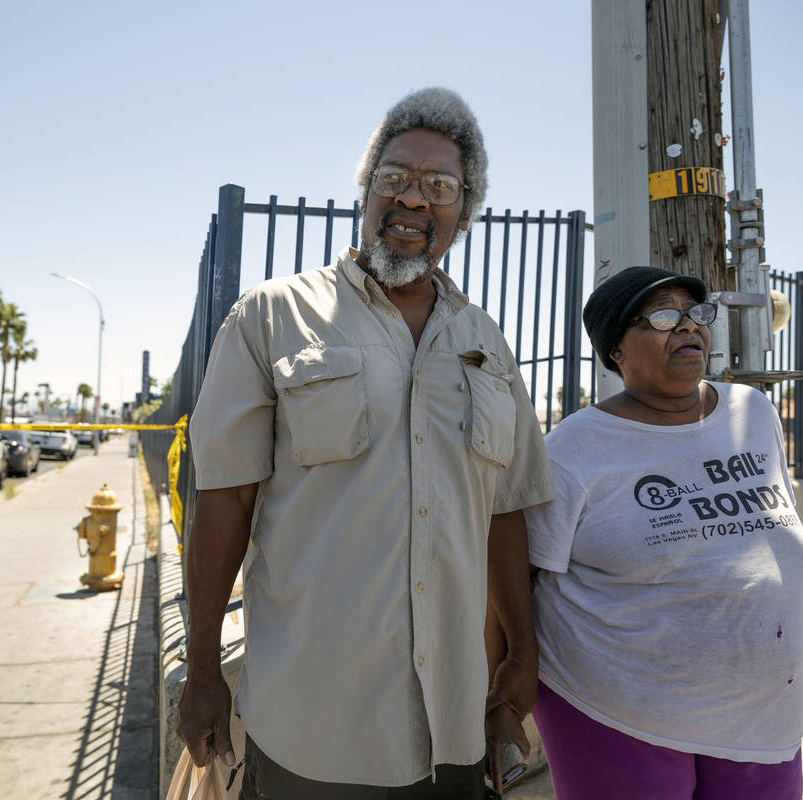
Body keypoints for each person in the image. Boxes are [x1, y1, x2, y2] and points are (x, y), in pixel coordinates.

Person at [178, 87, 556, 799]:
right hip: (312, 729)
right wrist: (201, 669)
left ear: (464, 213)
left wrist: (520, 655)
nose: (413, 199)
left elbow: (505, 508)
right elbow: (223, 498)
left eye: (439, 186)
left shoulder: (486, 342)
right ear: (366, 191)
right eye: (395, 178)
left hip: (454, 722)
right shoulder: (272, 316)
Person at [524, 267, 803, 799]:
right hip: (617, 714)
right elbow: (520, 581)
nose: (687, 327)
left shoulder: (753, 412)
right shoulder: (572, 450)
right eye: (661, 317)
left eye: (695, 313)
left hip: (765, 716)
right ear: (616, 351)